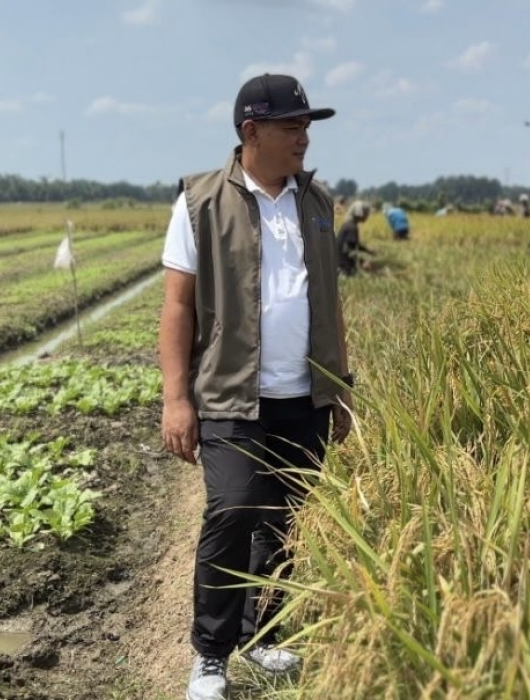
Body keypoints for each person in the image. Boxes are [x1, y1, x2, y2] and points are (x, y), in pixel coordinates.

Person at [158, 73, 355, 700]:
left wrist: (340, 388)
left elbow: (331, 301)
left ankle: (264, 633)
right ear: (252, 133)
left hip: (306, 394)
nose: (303, 137)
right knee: (235, 507)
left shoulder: (317, 202)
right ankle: (210, 657)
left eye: (306, 126)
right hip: (229, 392)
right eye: (291, 126)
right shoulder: (200, 202)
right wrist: (176, 397)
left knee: (286, 516)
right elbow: (176, 308)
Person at [337, 200, 375, 275]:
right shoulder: (352, 227)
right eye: (366, 212)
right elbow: (351, 251)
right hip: (343, 268)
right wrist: (363, 262)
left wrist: (368, 250)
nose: (367, 215)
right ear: (360, 213)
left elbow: (354, 245)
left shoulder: (348, 224)